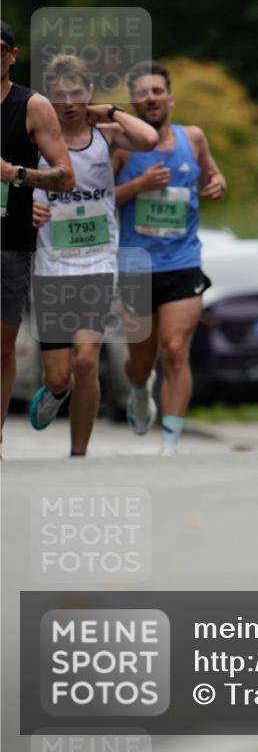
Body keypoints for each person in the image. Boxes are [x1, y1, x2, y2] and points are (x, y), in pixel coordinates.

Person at [29, 54, 158, 456]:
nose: (69, 102)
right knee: (59, 375)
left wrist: (111, 110)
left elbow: (149, 139)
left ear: (88, 93)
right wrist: (25, 208)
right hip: (51, 267)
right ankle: (54, 391)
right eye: (60, 94)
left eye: (77, 93)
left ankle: (79, 456)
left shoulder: (105, 134)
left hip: (97, 264)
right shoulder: (34, 140)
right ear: (48, 98)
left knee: (86, 361)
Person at [113, 60, 226, 456]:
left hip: (183, 263)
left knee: (176, 350)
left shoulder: (192, 138)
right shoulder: (122, 148)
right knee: (140, 362)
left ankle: (170, 441)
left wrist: (216, 184)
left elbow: (212, 176)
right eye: (142, 93)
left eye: (157, 91)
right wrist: (139, 185)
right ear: (132, 102)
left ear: (170, 97)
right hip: (136, 268)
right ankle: (141, 390)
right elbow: (97, 200)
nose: (150, 98)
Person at [1, 21, 75, 428]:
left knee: (3, 350)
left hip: (9, 243)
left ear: (12, 55)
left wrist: (17, 176)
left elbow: (66, 176)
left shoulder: (32, 107)